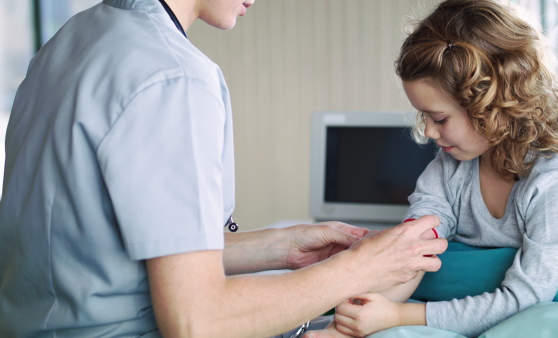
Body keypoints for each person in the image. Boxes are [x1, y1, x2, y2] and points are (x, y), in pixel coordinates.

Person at [0, 0, 449, 337]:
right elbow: (197, 321)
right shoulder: (174, 76)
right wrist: (357, 271)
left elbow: (95, 249)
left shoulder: (71, 40)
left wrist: (279, 247)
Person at [307, 0, 558, 337]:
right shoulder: (451, 167)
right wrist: (347, 326)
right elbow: (414, 249)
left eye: (440, 119)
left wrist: (397, 315)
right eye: (424, 117)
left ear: (492, 105)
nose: (429, 133)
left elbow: (527, 298)